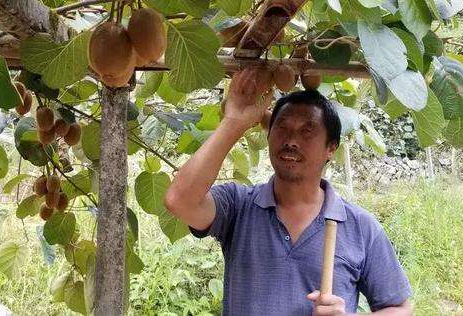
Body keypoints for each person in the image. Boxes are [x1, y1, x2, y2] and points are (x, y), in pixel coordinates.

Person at [164, 68, 413, 315]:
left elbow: (400, 308)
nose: (291, 140)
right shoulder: (238, 206)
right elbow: (179, 200)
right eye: (281, 128)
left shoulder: (361, 227)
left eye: (307, 131)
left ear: (331, 148)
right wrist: (235, 121)